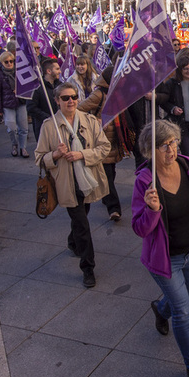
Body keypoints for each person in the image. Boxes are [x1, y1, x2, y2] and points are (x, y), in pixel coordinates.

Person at [132, 120, 189, 377]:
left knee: (185, 294)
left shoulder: (187, 164)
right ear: (150, 150)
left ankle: (160, 309)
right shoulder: (144, 181)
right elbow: (140, 228)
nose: (171, 149)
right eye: (164, 145)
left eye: (174, 142)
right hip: (165, 260)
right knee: (184, 311)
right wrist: (152, 209)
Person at [35, 82, 110, 288]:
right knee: (83, 226)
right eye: (66, 98)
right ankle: (88, 268)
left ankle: (71, 241)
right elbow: (39, 158)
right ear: (57, 101)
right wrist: (56, 154)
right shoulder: (49, 126)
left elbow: (104, 147)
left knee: (81, 219)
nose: (71, 101)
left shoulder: (90, 120)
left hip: (87, 180)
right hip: (66, 184)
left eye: (74, 97)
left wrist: (81, 155)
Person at [80, 66, 135, 222]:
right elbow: (79, 109)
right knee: (107, 177)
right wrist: (93, 121)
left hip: (115, 140)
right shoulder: (99, 94)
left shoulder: (116, 93)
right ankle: (114, 209)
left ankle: (105, 196)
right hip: (101, 141)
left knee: (111, 171)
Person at [157, 52, 189, 157]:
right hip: (180, 124)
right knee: (188, 153)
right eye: (186, 69)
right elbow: (164, 101)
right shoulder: (171, 83)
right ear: (180, 70)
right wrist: (173, 108)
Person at [0, 51, 30, 157]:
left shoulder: (19, 72)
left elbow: (27, 85)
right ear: (2, 63)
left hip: (20, 102)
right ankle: (14, 144)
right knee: (11, 126)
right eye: (6, 62)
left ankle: (23, 147)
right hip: (7, 104)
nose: (9, 63)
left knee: (23, 127)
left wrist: (20, 91)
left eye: (11, 61)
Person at [28, 58, 62, 142]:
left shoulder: (60, 86)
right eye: (57, 69)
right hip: (43, 127)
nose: (60, 71)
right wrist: (49, 118)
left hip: (60, 125)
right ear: (49, 71)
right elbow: (31, 108)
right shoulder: (37, 88)